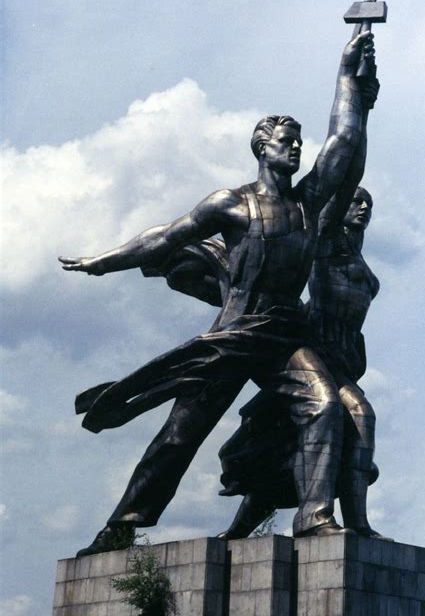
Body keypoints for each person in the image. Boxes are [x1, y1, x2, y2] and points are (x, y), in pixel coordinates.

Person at [60, 31, 378, 556]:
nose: (295, 148)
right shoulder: (231, 203)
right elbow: (166, 235)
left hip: (281, 335)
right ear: (261, 147)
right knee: (180, 436)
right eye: (285, 141)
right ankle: (121, 525)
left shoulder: (310, 203)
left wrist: (349, 78)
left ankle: (315, 517)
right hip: (232, 334)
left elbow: (343, 144)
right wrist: (106, 261)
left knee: (322, 406)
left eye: (299, 143)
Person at [217, 186, 390, 540]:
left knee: (311, 442)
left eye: (368, 204)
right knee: (357, 415)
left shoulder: (360, 259)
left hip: (342, 359)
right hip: (315, 353)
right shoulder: (326, 244)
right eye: (355, 201)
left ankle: (358, 523)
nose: (362, 207)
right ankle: (316, 519)